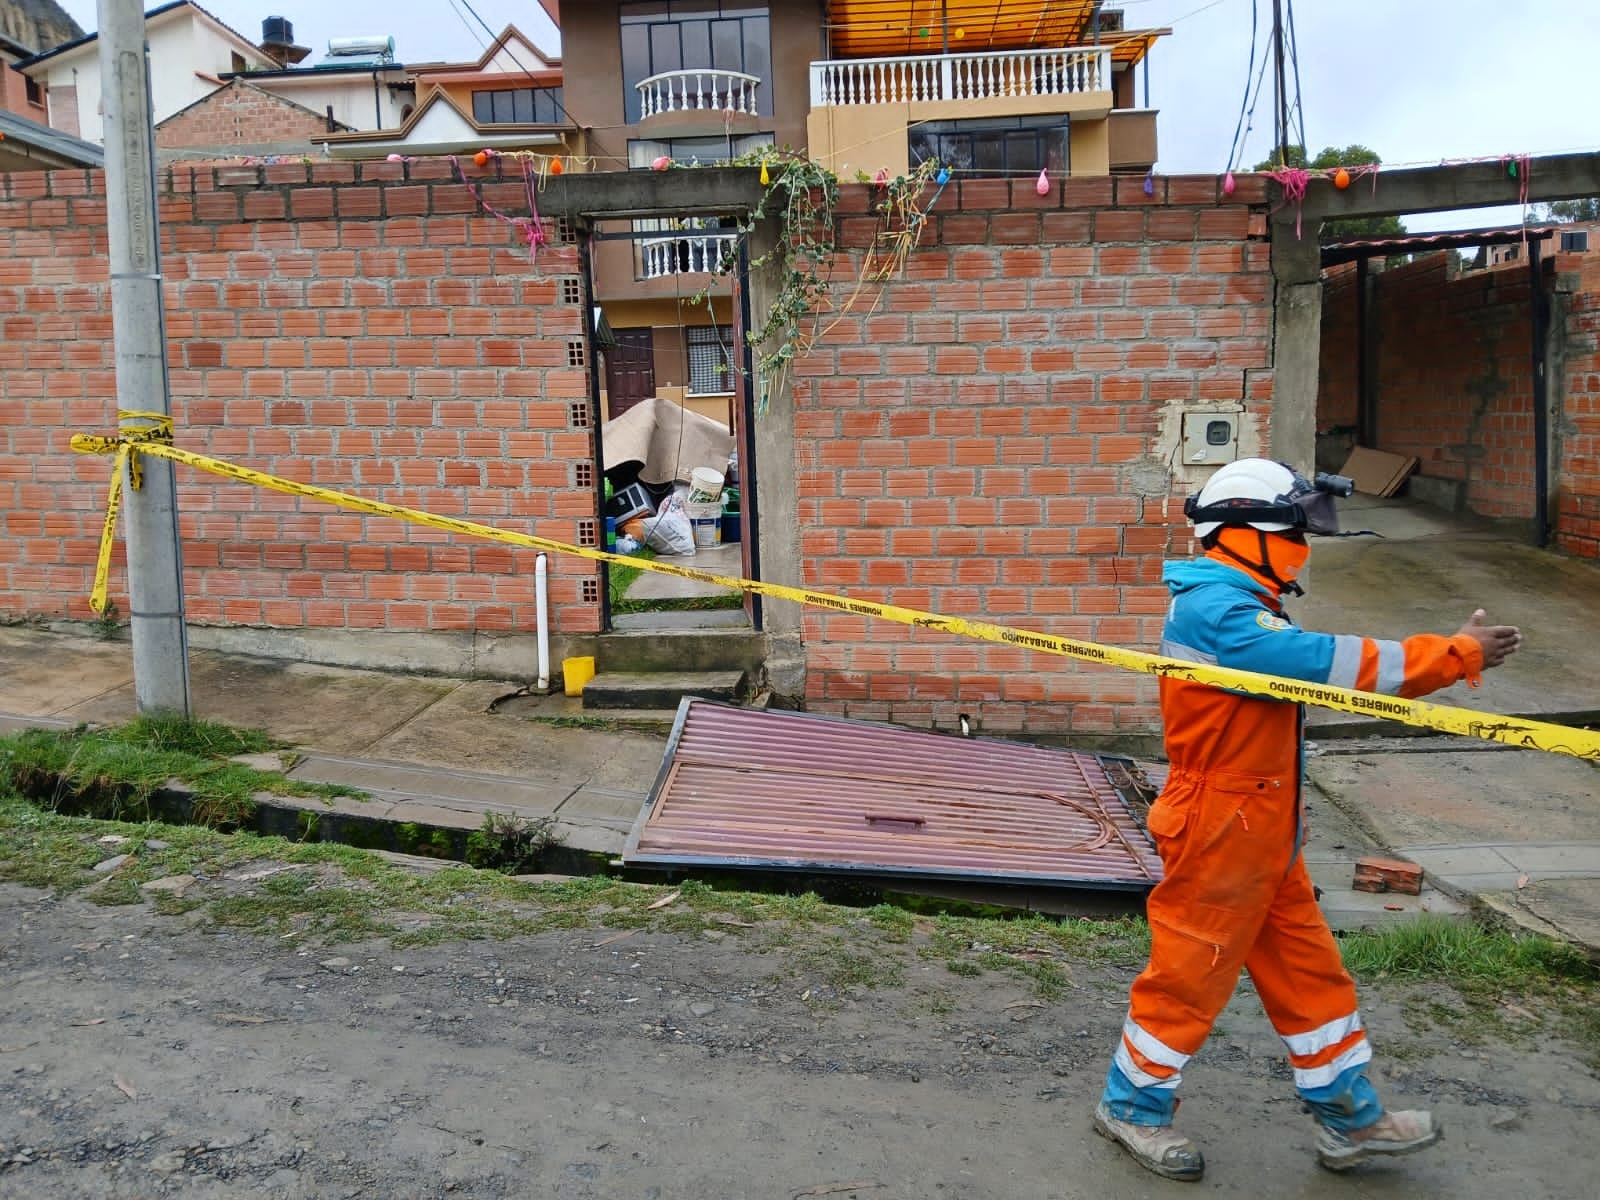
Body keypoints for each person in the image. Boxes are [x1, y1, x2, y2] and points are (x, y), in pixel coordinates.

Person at [1093, 458, 1522, 1181]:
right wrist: (1452, 657)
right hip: (1219, 832)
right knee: (1188, 974)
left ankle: (1351, 1121)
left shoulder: (1234, 599)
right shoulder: (1217, 611)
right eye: (1295, 533)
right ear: (1244, 535)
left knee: (1310, 976)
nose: (1305, 548)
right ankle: (1130, 1108)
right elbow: (1326, 665)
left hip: (1260, 831)